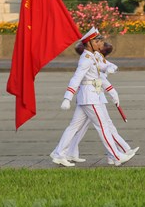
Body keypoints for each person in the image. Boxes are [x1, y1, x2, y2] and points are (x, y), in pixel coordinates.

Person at [50, 27, 136, 167]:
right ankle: (115, 156)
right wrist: (68, 97)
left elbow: (103, 66)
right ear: (89, 43)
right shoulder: (86, 59)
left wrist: (110, 68)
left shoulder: (94, 56)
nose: (100, 43)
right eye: (97, 41)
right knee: (103, 127)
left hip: (89, 96)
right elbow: (76, 78)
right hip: (90, 97)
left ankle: (59, 154)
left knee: (73, 127)